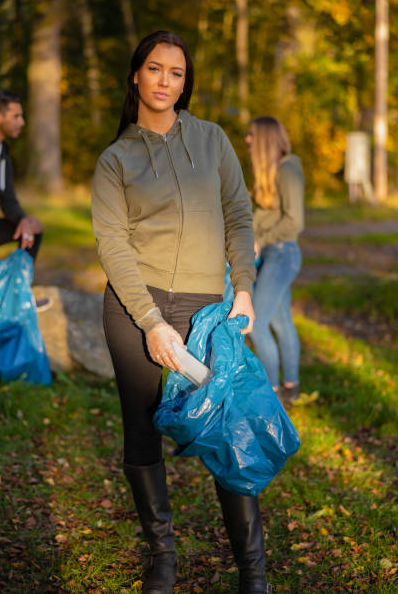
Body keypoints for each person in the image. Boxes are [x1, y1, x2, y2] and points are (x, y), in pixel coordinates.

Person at [92, 31, 270, 594]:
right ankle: (163, 559)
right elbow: (113, 244)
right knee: (141, 428)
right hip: (135, 305)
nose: (165, 81)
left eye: (176, 72)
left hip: (206, 307)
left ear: (184, 82)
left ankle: (254, 573)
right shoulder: (115, 159)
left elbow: (239, 216)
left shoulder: (213, 141)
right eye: (155, 69)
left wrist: (243, 287)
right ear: (136, 77)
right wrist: (149, 322)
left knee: (226, 425)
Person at [246, 116, 304, 406]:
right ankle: (291, 389)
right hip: (273, 253)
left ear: (265, 139)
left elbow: (294, 222)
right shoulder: (270, 173)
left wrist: (260, 238)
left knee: (257, 324)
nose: (247, 140)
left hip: (282, 253)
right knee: (280, 321)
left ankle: (271, 394)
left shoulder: (287, 171)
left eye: (251, 135)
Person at [0, 90, 50, 311]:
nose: (22, 122)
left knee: (33, 229)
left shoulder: (2, 153)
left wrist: (24, 220)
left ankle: (18, 295)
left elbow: (8, 201)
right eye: (16, 116)